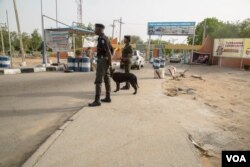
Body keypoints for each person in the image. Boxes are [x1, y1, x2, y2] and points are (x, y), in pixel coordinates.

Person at [88, 24, 113, 107]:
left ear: (100, 29)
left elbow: (109, 52)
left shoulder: (103, 39)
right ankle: (108, 97)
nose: (95, 30)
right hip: (104, 60)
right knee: (107, 79)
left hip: (102, 61)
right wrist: (108, 62)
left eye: (96, 29)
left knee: (98, 80)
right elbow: (111, 50)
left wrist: (109, 63)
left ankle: (97, 100)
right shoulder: (104, 38)